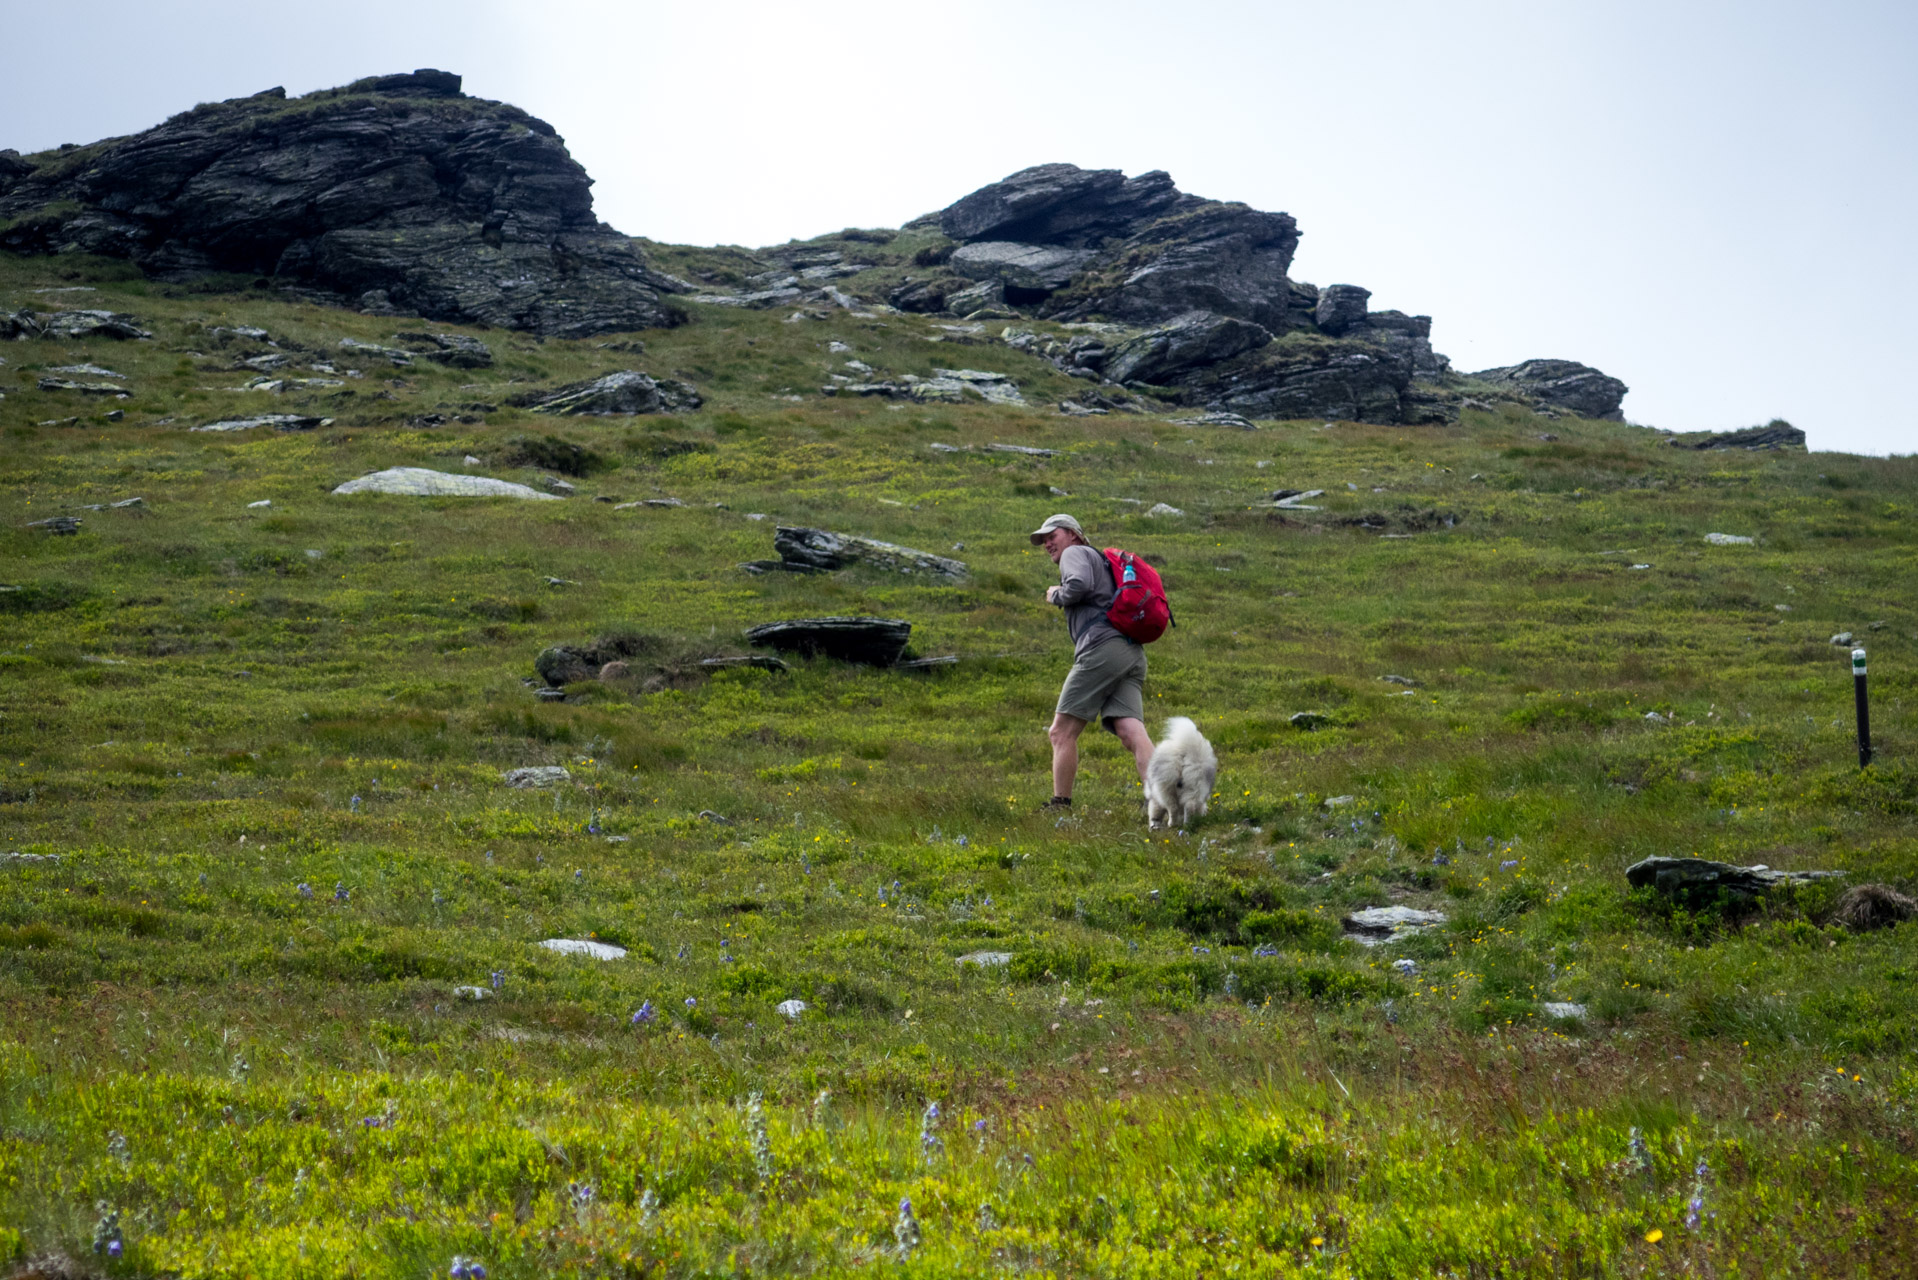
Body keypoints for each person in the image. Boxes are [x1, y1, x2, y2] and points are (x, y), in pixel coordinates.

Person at [1030, 513, 1153, 808]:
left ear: (1073, 533)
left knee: (1060, 732)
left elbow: (1078, 586)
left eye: (1052, 535)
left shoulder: (1074, 553)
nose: (1047, 543)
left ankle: (1060, 804)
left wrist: (1055, 594)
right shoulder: (1100, 561)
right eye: (1043, 540)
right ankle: (1163, 799)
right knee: (1130, 731)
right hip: (1129, 651)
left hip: (1102, 649)